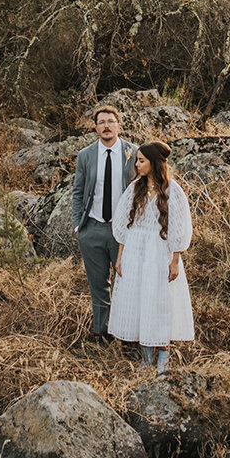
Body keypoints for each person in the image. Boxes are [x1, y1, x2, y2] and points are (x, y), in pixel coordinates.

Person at [107, 141, 194, 372]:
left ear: (154, 163)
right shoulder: (136, 188)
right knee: (139, 300)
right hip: (136, 250)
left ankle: (163, 357)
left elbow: (179, 227)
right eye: (136, 159)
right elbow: (124, 224)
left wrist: (175, 260)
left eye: (141, 160)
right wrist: (120, 256)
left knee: (160, 302)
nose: (136, 164)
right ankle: (146, 356)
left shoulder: (172, 190)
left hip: (159, 252)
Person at [72, 104, 137, 341]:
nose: (106, 126)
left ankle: (127, 334)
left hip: (124, 232)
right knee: (99, 286)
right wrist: (78, 226)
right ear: (96, 127)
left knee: (126, 285)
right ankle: (101, 334)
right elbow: (77, 192)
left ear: (119, 125)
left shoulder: (134, 152)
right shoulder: (85, 155)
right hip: (93, 229)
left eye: (111, 121)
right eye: (102, 122)